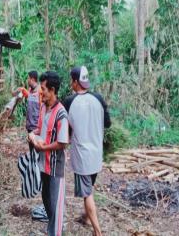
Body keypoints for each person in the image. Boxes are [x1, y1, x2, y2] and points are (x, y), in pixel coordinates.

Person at [63, 66, 111, 236]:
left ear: (76, 82)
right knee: (89, 188)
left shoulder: (69, 102)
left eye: (71, 80)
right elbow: (107, 123)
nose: (70, 83)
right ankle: (85, 216)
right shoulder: (98, 98)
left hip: (82, 156)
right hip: (97, 154)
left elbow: (64, 129)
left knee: (87, 193)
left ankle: (97, 232)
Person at [28, 71, 69, 236]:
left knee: (56, 207)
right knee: (47, 202)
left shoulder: (61, 114)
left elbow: (62, 142)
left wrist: (43, 148)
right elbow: (39, 129)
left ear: (52, 90)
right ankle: (53, 229)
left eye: (43, 88)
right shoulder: (44, 107)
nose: (40, 92)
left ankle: (56, 231)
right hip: (43, 164)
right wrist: (32, 135)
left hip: (54, 168)